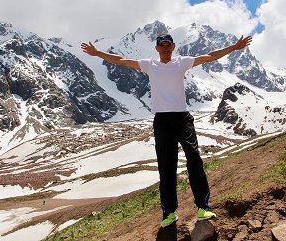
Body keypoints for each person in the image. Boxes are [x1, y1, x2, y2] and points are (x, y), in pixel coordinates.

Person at [81, 33, 252, 228]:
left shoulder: (182, 62)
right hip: (162, 121)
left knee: (194, 158)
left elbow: (210, 55)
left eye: (168, 46)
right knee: (166, 167)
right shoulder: (149, 65)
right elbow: (122, 61)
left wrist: (234, 47)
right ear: (156, 48)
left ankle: (203, 206)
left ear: (173, 47)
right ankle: (169, 213)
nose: (165, 49)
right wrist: (97, 53)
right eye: (162, 46)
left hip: (183, 118)